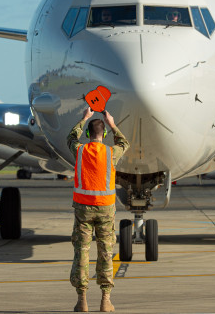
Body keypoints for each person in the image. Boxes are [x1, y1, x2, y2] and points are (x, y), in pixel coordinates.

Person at [67, 107, 130, 312]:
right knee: (105, 252)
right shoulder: (111, 152)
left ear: (87, 134)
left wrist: (84, 118)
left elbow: (71, 137)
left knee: (82, 253)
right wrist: (111, 123)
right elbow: (124, 142)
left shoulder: (79, 150)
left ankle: (82, 300)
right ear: (103, 134)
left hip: (83, 210)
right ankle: (105, 300)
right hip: (105, 210)